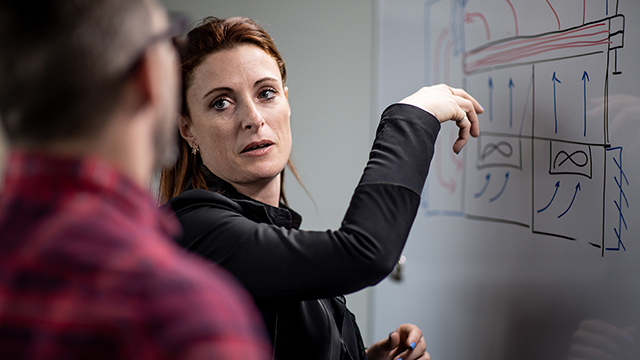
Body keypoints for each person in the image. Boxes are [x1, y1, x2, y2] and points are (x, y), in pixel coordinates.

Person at [160, 16, 482, 360]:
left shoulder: (270, 230)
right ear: (187, 129)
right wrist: (413, 116)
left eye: (266, 93)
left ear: (286, 100)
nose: (253, 117)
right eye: (221, 103)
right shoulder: (193, 230)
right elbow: (364, 253)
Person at [0, 2, 272, 359]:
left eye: (267, 92)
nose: (252, 119)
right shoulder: (184, 316)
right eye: (167, 40)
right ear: (147, 75)